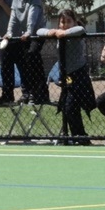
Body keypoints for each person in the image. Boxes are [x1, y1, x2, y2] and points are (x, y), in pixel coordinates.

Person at [37, 9, 95, 145]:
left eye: (69, 21)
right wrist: (51, 32)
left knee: (71, 105)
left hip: (79, 75)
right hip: (67, 76)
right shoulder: (58, 34)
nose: (65, 24)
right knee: (68, 106)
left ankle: (80, 137)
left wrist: (63, 33)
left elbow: (80, 29)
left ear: (74, 21)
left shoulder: (77, 32)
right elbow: (38, 31)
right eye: (62, 22)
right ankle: (79, 137)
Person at [2, 0, 49, 104]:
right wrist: (9, 32)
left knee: (32, 54)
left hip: (37, 33)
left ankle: (40, 92)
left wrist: (29, 30)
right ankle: (29, 93)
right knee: (26, 63)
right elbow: (13, 17)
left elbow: (32, 14)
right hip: (26, 35)